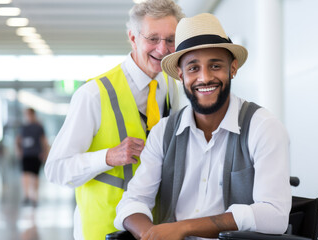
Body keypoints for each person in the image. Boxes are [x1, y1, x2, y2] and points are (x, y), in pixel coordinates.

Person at [114, 13, 292, 240]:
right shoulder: (164, 133)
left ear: (233, 68)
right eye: (193, 68)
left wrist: (184, 227)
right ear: (181, 75)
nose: (205, 77)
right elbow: (133, 201)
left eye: (215, 65)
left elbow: (275, 216)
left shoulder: (263, 128)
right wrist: (151, 235)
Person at [44, 0, 184, 239]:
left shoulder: (171, 85)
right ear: (132, 37)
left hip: (155, 228)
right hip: (104, 228)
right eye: (153, 38)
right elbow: (56, 170)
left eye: (170, 39)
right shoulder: (93, 94)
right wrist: (108, 157)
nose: (162, 49)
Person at [16, 107, 49, 207]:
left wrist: (46, 153)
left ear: (33, 115)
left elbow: (44, 141)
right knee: (25, 175)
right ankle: (26, 196)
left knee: (35, 176)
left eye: (29, 114)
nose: (27, 117)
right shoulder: (23, 127)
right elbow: (18, 140)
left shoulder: (39, 127)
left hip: (36, 154)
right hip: (26, 155)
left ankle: (34, 197)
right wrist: (19, 151)